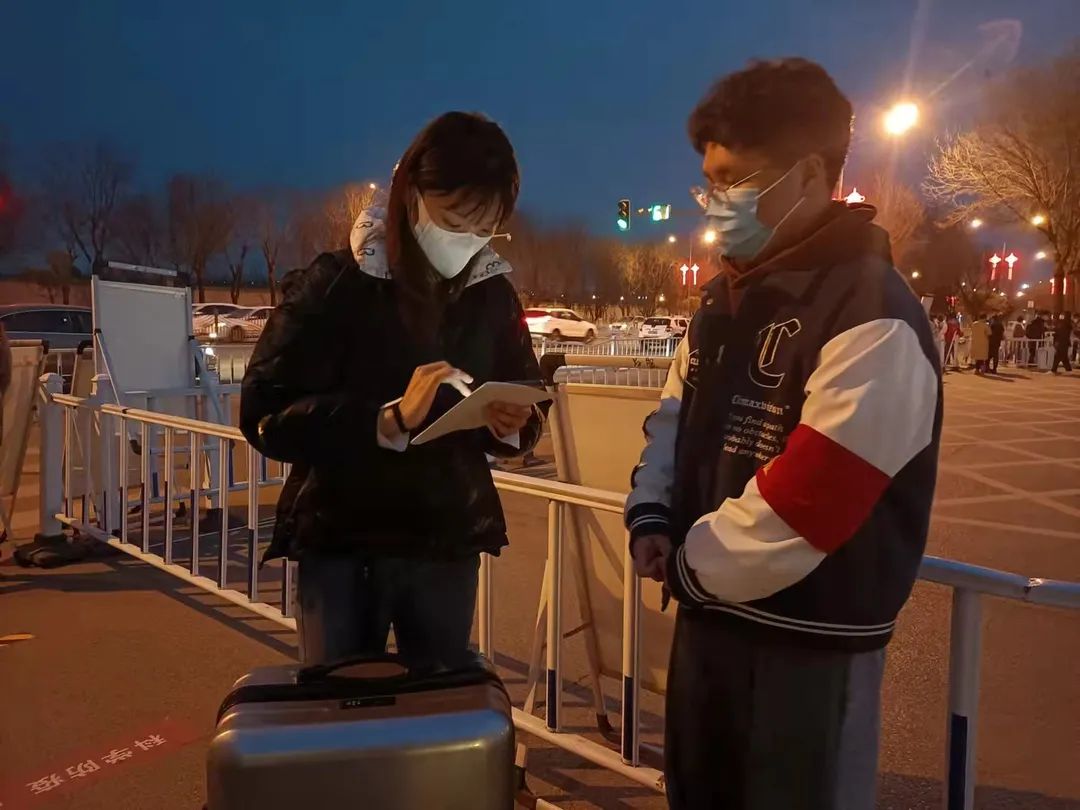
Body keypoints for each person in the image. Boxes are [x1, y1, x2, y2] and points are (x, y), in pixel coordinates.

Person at [626, 59, 942, 810]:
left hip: (810, 648)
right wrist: (652, 516)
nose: (715, 201)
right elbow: (671, 422)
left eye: (733, 180)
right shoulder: (723, 303)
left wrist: (689, 567)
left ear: (809, 175)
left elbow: (813, 503)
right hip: (711, 628)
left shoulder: (874, 314)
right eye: (708, 182)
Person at [240, 112, 544, 670]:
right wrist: (388, 420)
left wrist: (513, 425)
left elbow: (524, 390)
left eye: (485, 228)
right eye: (453, 219)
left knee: (439, 708)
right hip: (342, 540)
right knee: (341, 704)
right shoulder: (335, 285)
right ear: (410, 197)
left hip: (447, 539)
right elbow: (264, 410)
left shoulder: (492, 295)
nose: (466, 240)